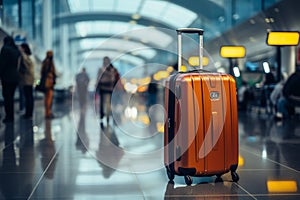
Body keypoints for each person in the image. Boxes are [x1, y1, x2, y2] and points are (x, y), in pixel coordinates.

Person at [0, 36, 21, 123]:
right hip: (15, 77)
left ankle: (8, 117)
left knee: (7, 97)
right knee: (11, 97)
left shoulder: (5, 49)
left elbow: (2, 64)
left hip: (7, 77)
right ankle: (11, 116)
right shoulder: (16, 50)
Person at [96, 56, 120, 125]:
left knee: (104, 102)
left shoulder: (102, 69)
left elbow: (98, 78)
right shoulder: (113, 69)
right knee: (106, 102)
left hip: (105, 87)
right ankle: (106, 115)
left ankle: (104, 115)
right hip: (109, 87)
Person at [19, 43, 35, 119]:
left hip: (26, 79)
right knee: (30, 97)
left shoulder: (24, 56)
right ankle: (30, 113)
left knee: (27, 96)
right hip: (31, 79)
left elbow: (24, 68)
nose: (20, 49)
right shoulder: (31, 57)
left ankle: (28, 114)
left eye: (21, 47)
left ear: (24, 48)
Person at [41, 51, 57, 119]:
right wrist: (53, 78)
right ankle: (48, 113)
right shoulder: (50, 62)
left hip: (45, 83)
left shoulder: (44, 62)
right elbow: (53, 72)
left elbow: (42, 72)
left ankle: (47, 112)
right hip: (49, 83)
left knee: (46, 98)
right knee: (49, 98)